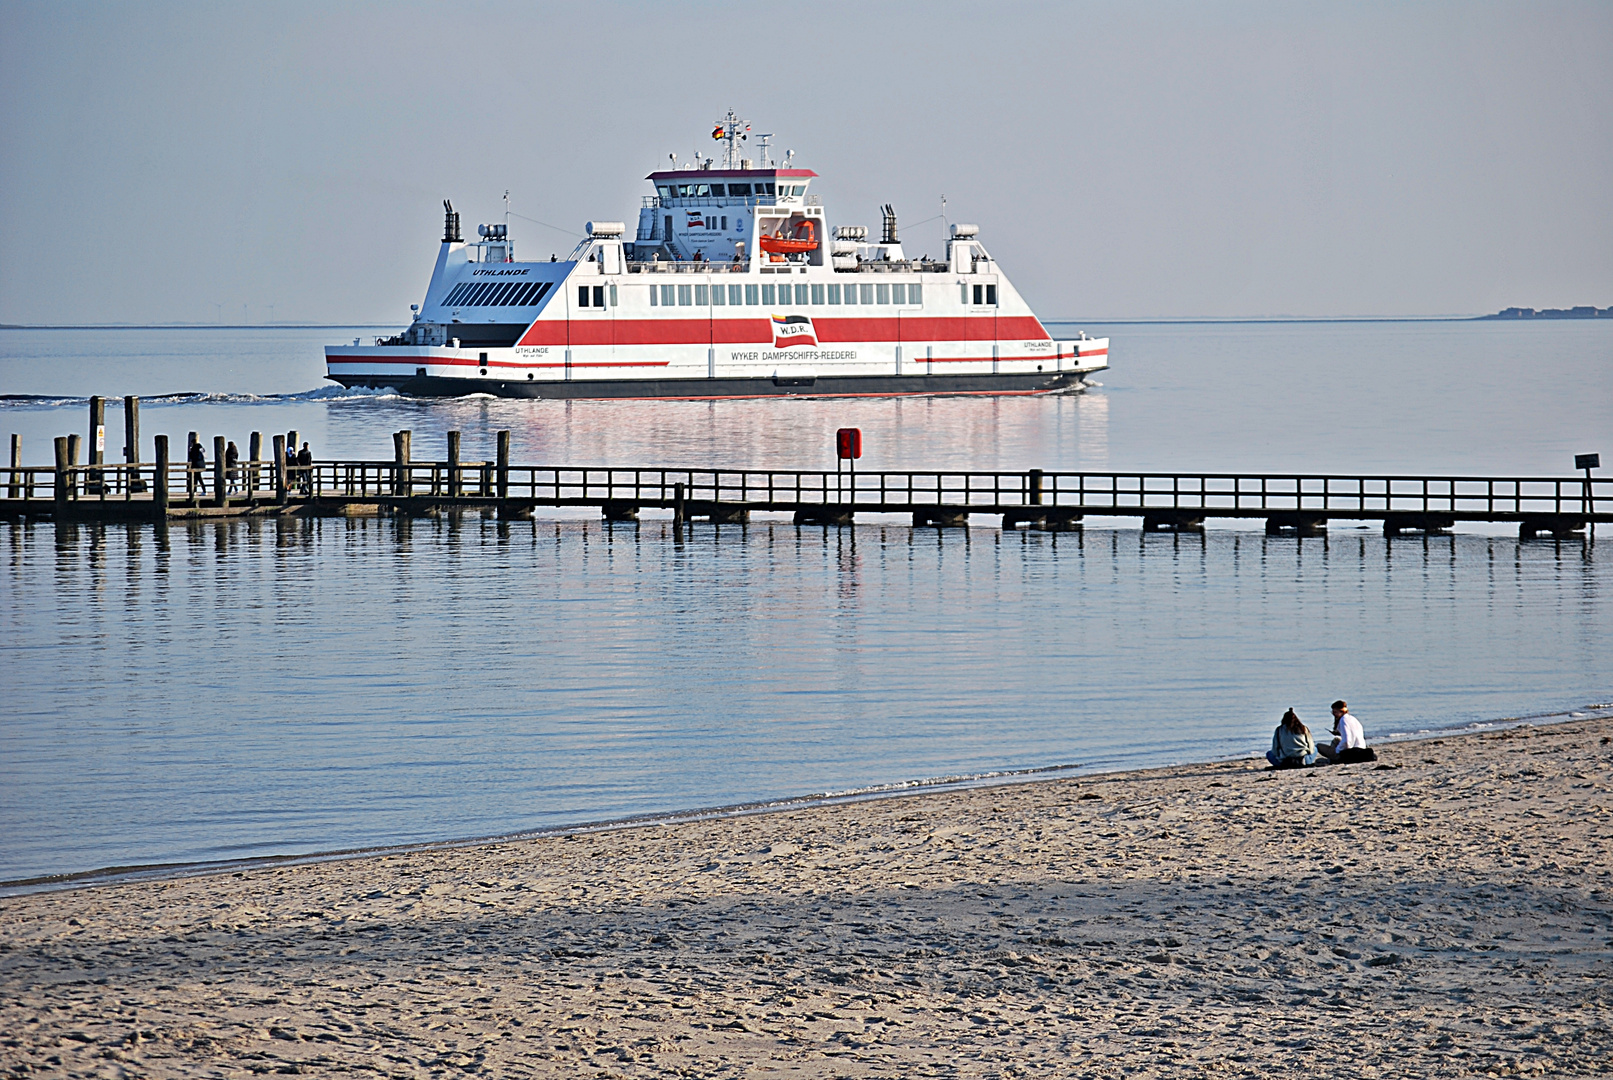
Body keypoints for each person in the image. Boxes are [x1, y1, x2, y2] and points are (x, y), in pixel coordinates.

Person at [1317, 700, 1376, 764]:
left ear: (1340, 711)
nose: (1333, 714)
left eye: (1335, 712)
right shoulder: (1353, 719)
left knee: (1318, 746)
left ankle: (1333, 758)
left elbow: (1347, 741)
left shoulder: (1343, 720)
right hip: (1361, 747)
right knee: (1336, 740)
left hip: (1350, 751)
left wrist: (1338, 750)